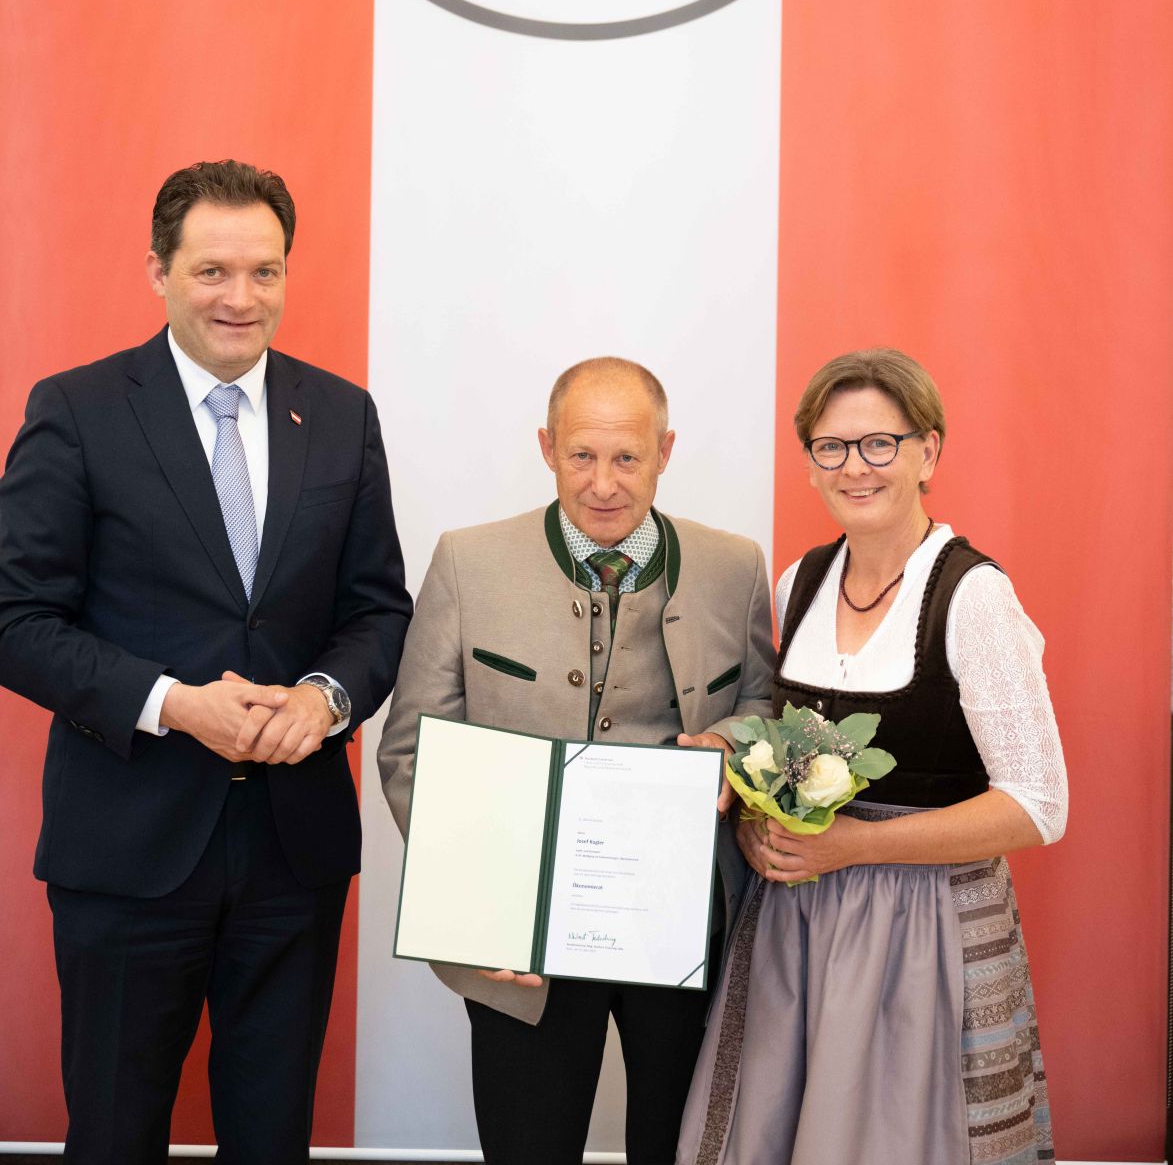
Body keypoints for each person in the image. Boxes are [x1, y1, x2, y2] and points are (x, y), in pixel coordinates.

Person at [0, 160, 412, 1165]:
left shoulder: (343, 414)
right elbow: (15, 615)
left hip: (292, 849)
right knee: (115, 1131)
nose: (242, 297)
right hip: (128, 846)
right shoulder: (80, 408)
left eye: (264, 271)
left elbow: (376, 609)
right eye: (213, 270)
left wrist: (324, 698)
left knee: (272, 1137)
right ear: (158, 269)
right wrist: (174, 704)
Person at [379, 356, 774, 1165]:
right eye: (581, 456)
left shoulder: (735, 567)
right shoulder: (466, 561)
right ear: (546, 447)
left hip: (682, 923)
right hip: (519, 939)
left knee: (683, 1148)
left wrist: (727, 747)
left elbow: (762, 711)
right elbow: (410, 749)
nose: (603, 483)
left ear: (664, 452)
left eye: (626, 457)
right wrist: (484, 909)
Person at [677, 347, 1068, 1165]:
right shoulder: (800, 582)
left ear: (929, 451)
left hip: (925, 930)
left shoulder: (973, 597)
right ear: (811, 462)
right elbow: (779, 754)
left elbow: (1037, 804)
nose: (855, 466)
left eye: (879, 443)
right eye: (832, 446)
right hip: (795, 926)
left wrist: (860, 845)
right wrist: (757, 822)